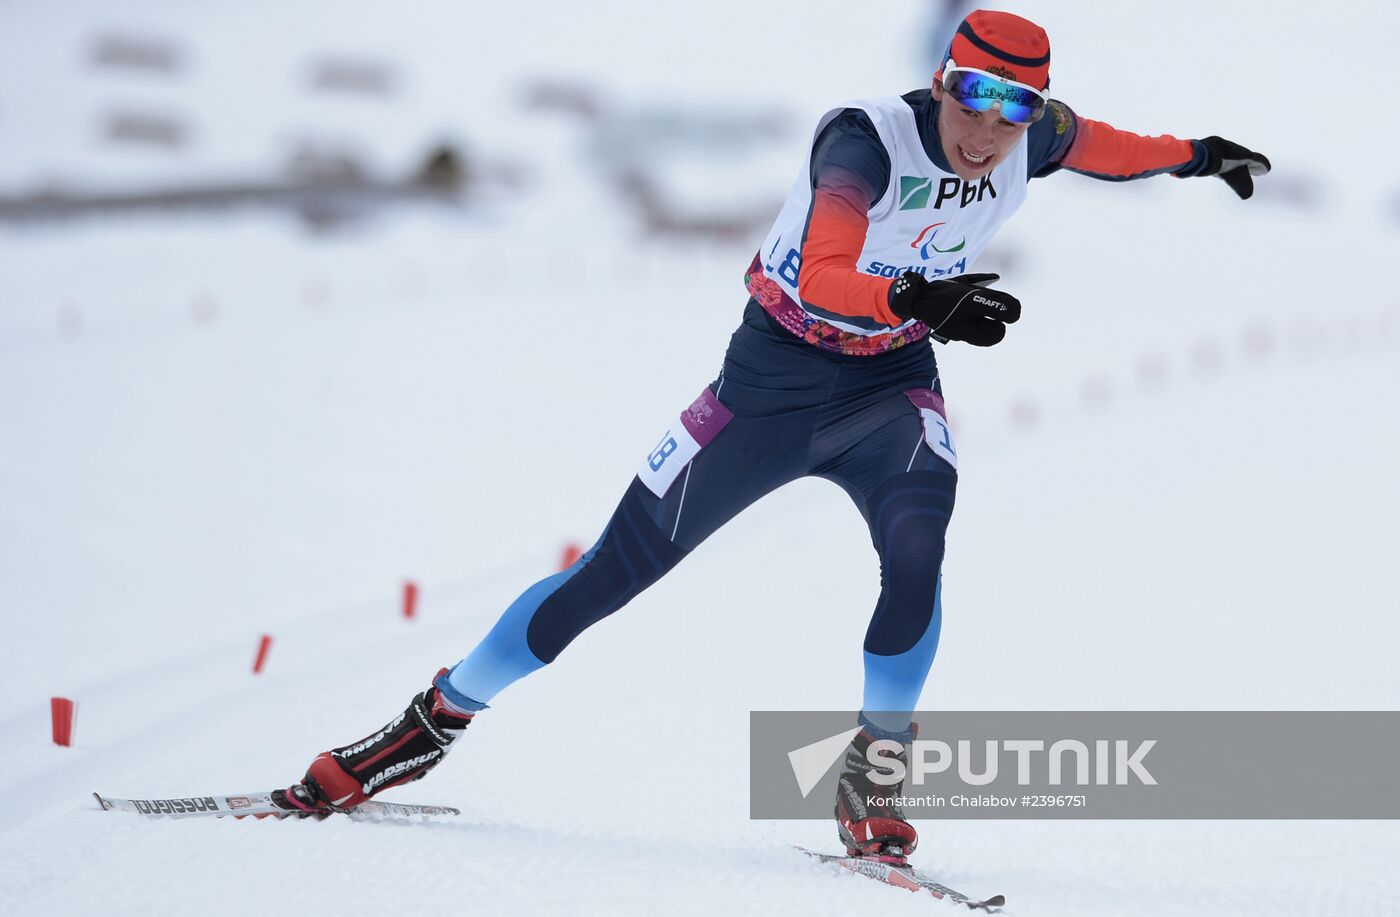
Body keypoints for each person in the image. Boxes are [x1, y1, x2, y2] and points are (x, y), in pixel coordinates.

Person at [276, 10, 1269, 861]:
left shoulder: (1031, 131)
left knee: (917, 549)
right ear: (941, 83)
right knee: (613, 570)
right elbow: (825, 267)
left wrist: (1196, 154)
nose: (988, 127)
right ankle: (426, 724)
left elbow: (1108, 145)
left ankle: (868, 779)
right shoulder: (863, 143)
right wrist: (917, 292)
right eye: (973, 95)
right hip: (770, 383)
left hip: (887, 387)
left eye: (1015, 106)